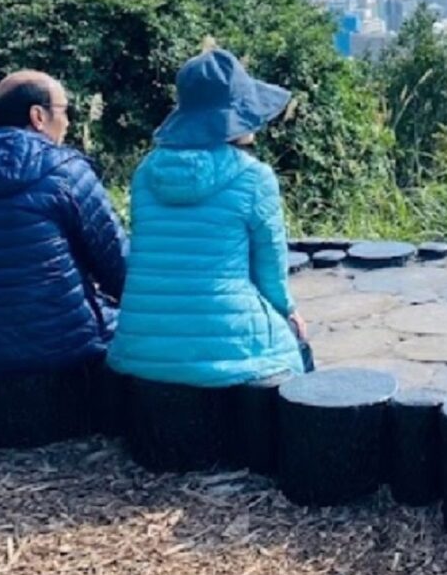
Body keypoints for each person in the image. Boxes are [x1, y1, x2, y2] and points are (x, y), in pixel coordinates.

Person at [107, 46, 309, 387]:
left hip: (140, 346)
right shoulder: (253, 177)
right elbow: (270, 271)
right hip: (230, 348)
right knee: (298, 349)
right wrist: (288, 313)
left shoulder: (145, 173)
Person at [0, 70, 127, 382]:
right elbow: (121, 274)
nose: (68, 122)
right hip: (55, 353)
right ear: (38, 116)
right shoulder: (67, 173)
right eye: (64, 110)